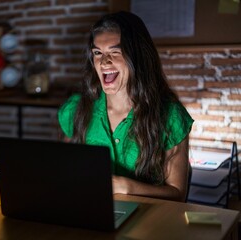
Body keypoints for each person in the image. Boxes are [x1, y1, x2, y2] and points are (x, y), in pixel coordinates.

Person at [58, 11, 194, 202]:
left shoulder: (170, 115)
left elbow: (177, 194)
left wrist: (126, 187)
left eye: (115, 52)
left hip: (150, 223)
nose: (104, 62)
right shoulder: (76, 108)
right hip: (90, 213)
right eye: (98, 53)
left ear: (137, 57)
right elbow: (60, 170)